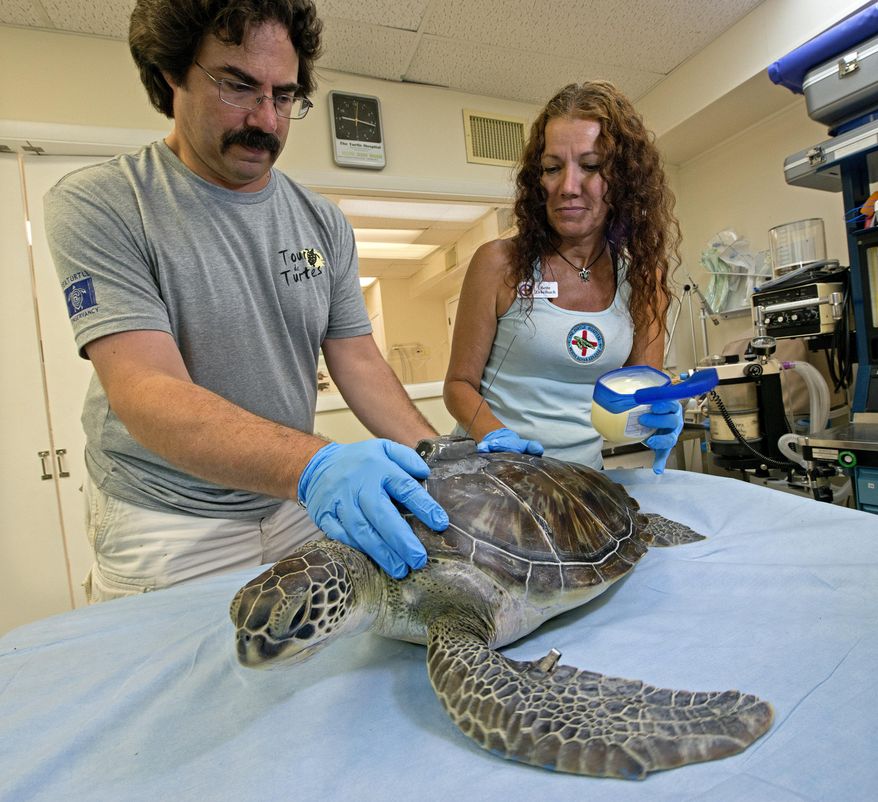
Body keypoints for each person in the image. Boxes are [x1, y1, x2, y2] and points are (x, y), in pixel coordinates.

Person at [44, 0, 448, 603]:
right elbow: (147, 391)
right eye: (239, 86)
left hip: (289, 502)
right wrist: (315, 465)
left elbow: (358, 361)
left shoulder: (322, 222)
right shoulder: (105, 203)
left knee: (310, 665)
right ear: (170, 74)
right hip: (168, 517)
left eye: (284, 97)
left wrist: (442, 456)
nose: (266, 119)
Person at [444, 81, 683, 473]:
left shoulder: (643, 278)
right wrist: (498, 440)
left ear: (623, 179)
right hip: (491, 472)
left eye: (590, 167)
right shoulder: (499, 264)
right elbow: (458, 385)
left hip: (581, 481)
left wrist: (653, 417)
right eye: (553, 168)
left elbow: (636, 399)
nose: (568, 187)